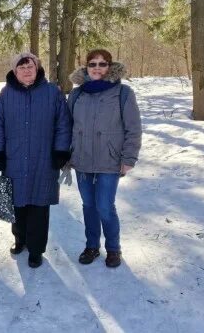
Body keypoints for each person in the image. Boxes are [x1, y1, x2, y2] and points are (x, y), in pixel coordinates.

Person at [0, 53, 72, 268]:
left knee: (38, 205)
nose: (27, 71)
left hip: (43, 159)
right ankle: (20, 239)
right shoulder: (6, 94)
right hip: (14, 158)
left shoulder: (52, 92)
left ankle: (36, 249)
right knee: (17, 203)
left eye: (30, 66)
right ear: (14, 71)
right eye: (22, 67)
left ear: (37, 69)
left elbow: (63, 124)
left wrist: (60, 151)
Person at [67, 49, 142, 268]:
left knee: (104, 206)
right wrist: (66, 153)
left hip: (109, 160)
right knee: (88, 205)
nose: (97, 68)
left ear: (110, 66)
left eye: (102, 64)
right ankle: (92, 246)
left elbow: (133, 128)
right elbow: (67, 125)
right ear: (86, 67)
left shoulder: (123, 93)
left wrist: (129, 158)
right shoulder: (77, 94)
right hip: (82, 159)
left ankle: (113, 248)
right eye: (93, 64)